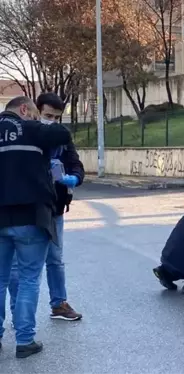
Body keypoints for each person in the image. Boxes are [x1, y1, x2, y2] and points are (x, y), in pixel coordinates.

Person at [0, 96, 72, 358]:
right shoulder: (30, 128)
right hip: (32, 216)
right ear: (23, 109)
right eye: (34, 113)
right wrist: (40, 126)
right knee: (30, 279)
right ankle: (25, 341)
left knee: (0, 279)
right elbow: (63, 133)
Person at [8, 93, 84, 323]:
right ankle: (18, 310)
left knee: (55, 259)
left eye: (56, 117)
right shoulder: (23, 134)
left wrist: (74, 178)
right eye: (47, 115)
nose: (51, 121)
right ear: (35, 111)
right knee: (16, 267)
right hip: (28, 209)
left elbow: (76, 163)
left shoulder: (60, 138)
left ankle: (59, 304)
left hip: (55, 208)